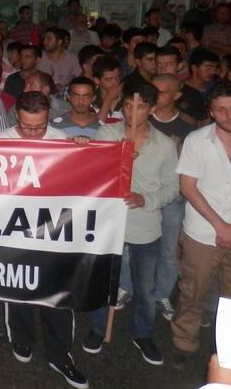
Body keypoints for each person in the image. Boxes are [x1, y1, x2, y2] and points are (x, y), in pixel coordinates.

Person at [0, 91, 89, 389]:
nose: (34, 133)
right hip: (14, 228)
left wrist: (84, 151)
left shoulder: (62, 140)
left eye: (40, 126)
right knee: (17, 286)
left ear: (49, 116)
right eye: (27, 127)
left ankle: (60, 355)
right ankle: (21, 338)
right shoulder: (2, 140)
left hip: (55, 230)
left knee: (58, 293)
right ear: (16, 117)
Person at [84, 84, 178, 366]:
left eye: (139, 107)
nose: (131, 112)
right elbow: (92, 170)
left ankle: (143, 334)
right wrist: (119, 156)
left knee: (145, 287)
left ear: (152, 109)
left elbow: (172, 188)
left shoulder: (164, 145)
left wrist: (145, 199)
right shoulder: (108, 134)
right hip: (109, 222)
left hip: (145, 225)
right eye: (127, 105)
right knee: (103, 281)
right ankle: (97, 328)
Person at [171, 81, 231, 369]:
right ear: (210, 111)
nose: (228, 115)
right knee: (192, 292)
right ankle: (184, 343)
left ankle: (226, 348)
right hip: (202, 233)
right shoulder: (196, 141)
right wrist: (221, 227)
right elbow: (188, 187)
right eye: (221, 109)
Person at [149, 74, 195, 321]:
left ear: (177, 95)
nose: (156, 95)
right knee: (131, 246)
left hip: (173, 196)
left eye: (163, 91)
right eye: (153, 90)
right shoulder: (141, 117)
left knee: (168, 249)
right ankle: (128, 287)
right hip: (143, 192)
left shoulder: (187, 125)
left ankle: (162, 294)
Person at [38, 27, 81, 92]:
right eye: (44, 39)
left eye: (49, 39)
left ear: (59, 42)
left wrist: (66, 86)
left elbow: (79, 78)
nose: (44, 42)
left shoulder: (72, 59)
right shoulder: (39, 57)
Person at [91, 56, 123, 124]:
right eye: (109, 79)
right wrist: (109, 98)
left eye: (117, 78)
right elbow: (96, 125)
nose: (115, 83)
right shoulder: (90, 99)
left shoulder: (128, 96)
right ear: (97, 80)